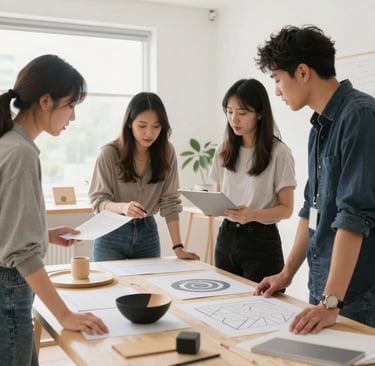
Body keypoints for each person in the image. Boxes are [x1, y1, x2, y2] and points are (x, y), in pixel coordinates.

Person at [255, 25, 375, 333]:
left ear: (303, 72)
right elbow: (312, 209)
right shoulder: (319, 128)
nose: (277, 91)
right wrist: (286, 274)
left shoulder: (360, 116)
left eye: (278, 79)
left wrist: (332, 302)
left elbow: (354, 215)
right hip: (324, 289)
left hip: (357, 292)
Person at [0, 55, 108, 366]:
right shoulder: (20, 153)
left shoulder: (8, 143)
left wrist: (43, 235)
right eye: (71, 105)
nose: (73, 117)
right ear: (46, 101)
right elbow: (19, 252)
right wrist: (64, 315)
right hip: (8, 291)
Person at [89, 92, 200, 262]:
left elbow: (170, 201)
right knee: (112, 288)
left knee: (147, 287)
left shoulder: (167, 153)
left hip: (147, 234)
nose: (150, 133)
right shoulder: (109, 154)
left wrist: (178, 247)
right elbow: (98, 202)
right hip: (110, 233)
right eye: (142, 126)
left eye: (156, 126)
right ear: (129, 124)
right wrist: (124, 208)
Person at [209, 78, 296, 284]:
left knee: (264, 308)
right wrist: (213, 207)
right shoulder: (223, 150)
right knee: (224, 306)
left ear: (259, 113)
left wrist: (254, 214)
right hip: (227, 236)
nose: (234, 119)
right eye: (229, 111)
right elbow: (219, 196)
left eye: (242, 113)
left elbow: (287, 209)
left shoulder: (279, 153)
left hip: (261, 241)